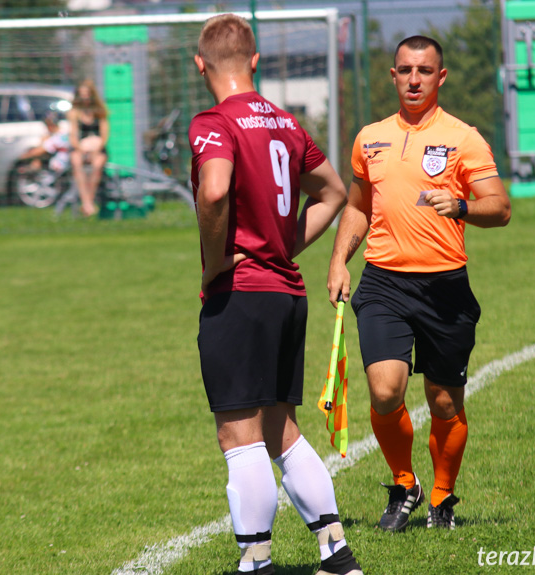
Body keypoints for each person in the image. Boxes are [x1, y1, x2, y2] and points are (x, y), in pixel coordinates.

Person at [189, 14, 362, 575]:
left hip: (241, 294)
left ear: (200, 65)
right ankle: (337, 555)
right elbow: (334, 192)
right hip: (287, 294)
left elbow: (214, 192)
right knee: (278, 431)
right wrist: (284, 246)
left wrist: (217, 261)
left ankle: (256, 561)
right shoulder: (286, 123)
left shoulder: (213, 123)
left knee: (239, 436)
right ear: (256, 60)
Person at [327, 36, 511, 532]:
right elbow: (357, 206)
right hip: (384, 281)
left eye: (424, 71)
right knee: (385, 391)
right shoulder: (369, 137)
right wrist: (339, 260)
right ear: (392, 75)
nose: (414, 79)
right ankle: (403, 484)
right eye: (405, 70)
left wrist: (465, 207)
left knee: (445, 402)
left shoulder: (464, 138)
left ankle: (442, 496)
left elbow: (501, 207)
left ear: (440, 77)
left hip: (445, 288)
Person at [69, 79, 109, 216]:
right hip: (82, 148)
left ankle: (88, 202)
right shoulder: (74, 113)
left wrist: (95, 150)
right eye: (82, 94)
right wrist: (81, 150)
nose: (85, 97)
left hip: (97, 148)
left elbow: (104, 135)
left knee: (97, 165)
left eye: (87, 94)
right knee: (76, 161)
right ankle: (86, 203)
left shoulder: (100, 112)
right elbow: (73, 136)